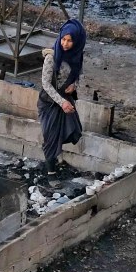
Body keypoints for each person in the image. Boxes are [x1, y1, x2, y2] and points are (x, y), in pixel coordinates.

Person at [38, 19, 86, 171]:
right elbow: (46, 84)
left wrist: (74, 85)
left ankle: (56, 160)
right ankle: (50, 173)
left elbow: (79, 74)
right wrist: (62, 102)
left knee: (69, 132)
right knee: (50, 137)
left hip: (65, 100)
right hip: (49, 102)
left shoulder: (77, 57)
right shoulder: (51, 58)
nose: (65, 44)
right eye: (63, 39)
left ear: (77, 42)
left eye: (70, 41)